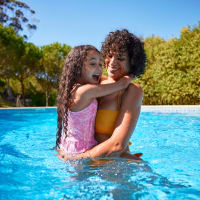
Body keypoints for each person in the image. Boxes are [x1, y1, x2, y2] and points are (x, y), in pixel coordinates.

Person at [57, 29, 146, 161]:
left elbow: (117, 145)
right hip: (85, 161)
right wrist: (64, 147)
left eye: (120, 58)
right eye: (109, 55)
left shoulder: (132, 91)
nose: (112, 62)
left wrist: (76, 158)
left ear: (132, 62)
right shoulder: (95, 82)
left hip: (113, 163)